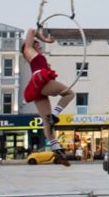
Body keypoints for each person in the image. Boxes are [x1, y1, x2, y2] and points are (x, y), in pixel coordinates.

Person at [22, 27, 74, 166]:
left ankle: (56, 149)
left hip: (36, 87)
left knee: (47, 122)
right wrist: (45, 38)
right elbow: (31, 30)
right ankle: (55, 114)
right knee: (69, 93)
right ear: (33, 45)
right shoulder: (29, 51)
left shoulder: (36, 56)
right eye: (38, 43)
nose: (40, 45)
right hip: (40, 82)